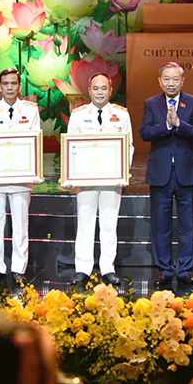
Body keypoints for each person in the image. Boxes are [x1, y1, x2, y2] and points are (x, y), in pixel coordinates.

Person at [140, 61, 193, 292]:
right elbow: (145, 132)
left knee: (188, 226)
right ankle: (165, 270)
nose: (171, 83)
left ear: (182, 81)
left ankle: (185, 270)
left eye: (175, 79)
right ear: (160, 81)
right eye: (166, 79)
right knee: (161, 226)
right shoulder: (151, 104)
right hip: (161, 173)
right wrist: (166, 127)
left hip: (187, 173)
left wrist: (179, 124)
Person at [65, 71, 133, 286]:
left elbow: (128, 146)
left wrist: (123, 172)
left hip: (112, 178)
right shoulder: (78, 115)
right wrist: (70, 174)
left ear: (111, 90)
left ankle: (107, 268)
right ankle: (82, 269)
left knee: (109, 223)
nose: (100, 92)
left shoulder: (121, 115)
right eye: (96, 88)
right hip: (85, 178)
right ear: (89, 91)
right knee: (85, 222)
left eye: (104, 88)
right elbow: (70, 147)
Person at [0, 68, 41, 286]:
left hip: (22, 176)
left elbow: (35, 142)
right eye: (6, 84)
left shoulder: (31, 111)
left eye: (13, 83)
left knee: (20, 224)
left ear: (20, 86)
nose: (10, 87)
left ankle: (18, 268)